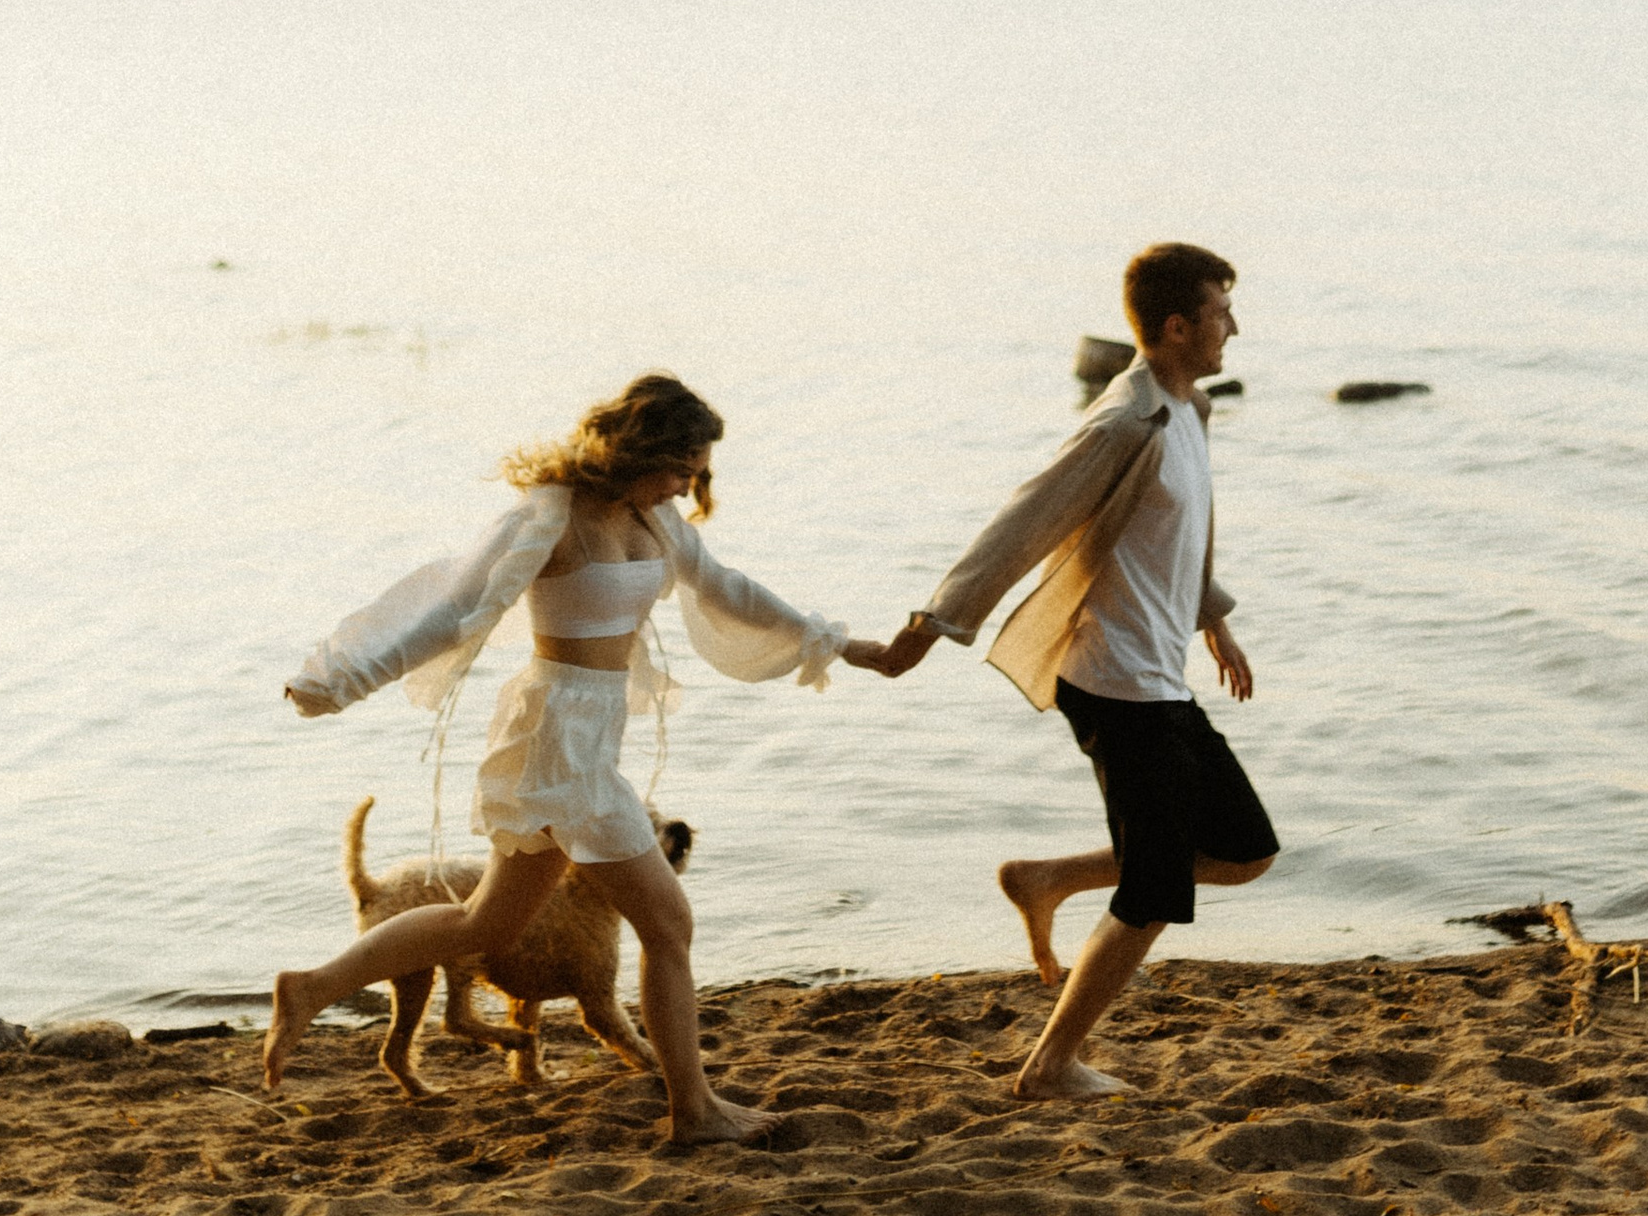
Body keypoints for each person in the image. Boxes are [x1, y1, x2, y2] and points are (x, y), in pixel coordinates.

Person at [264, 371, 887, 1145]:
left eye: (696, 472)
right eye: (679, 466)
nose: (687, 485)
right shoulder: (548, 515)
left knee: (484, 921)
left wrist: (848, 647)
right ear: (636, 448)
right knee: (667, 923)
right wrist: (335, 681)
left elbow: (728, 589)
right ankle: (693, 1111)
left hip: (588, 740)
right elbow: (450, 605)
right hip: (553, 738)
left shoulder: (658, 521)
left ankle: (314, 984)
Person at [863, 243, 1277, 1099]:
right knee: (1157, 888)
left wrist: (1216, 619)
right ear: (1175, 325)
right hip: (1114, 678)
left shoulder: (1189, 410)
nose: (1233, 325)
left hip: (1158, 671)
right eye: (1220, 311)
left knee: (1242, 849)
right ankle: (1049, 1066)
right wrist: (933, 624)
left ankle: (1047, 877)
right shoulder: (1124, 423)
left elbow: (1186, 532)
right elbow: (1024, 522)